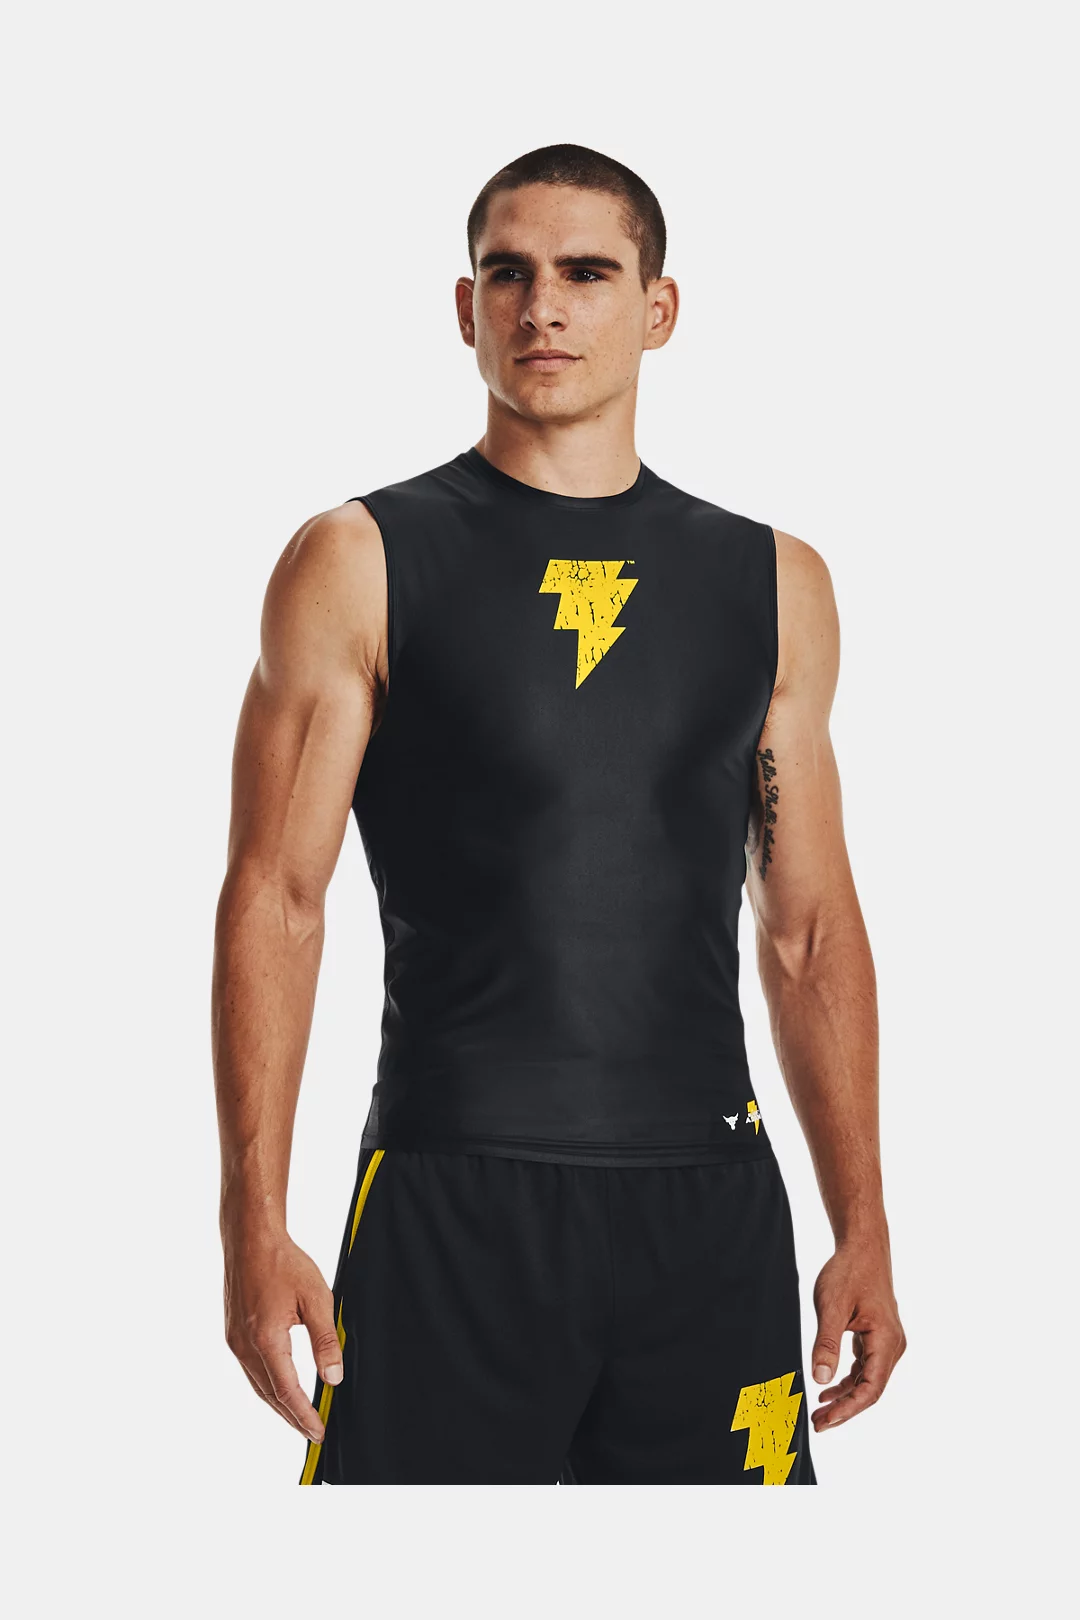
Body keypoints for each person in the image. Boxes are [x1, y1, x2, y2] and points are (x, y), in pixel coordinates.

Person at [212, 143, 905, 1485]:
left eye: (587, 273)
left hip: (709, 1205)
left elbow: (809, 928)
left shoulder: (773, 581)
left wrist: (863, 1220)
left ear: (659, 308)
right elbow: (277, 898)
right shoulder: (359, 560)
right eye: (507, 274)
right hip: (450, 1195)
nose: (543, 308)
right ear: (463, 307)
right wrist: (253, 1214)